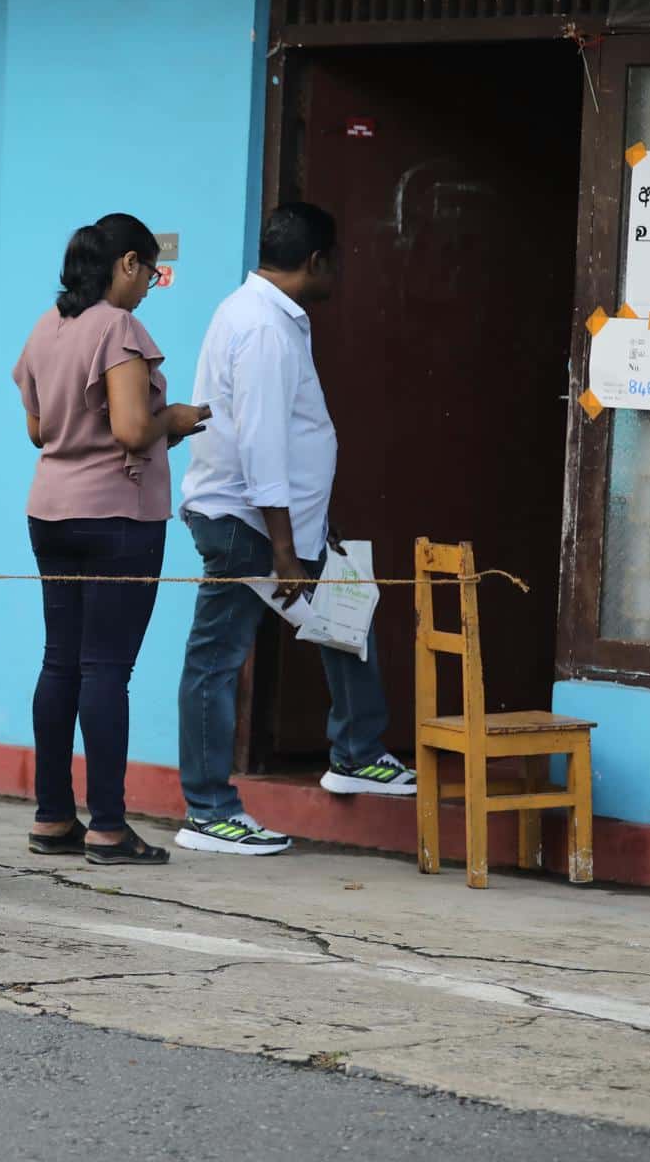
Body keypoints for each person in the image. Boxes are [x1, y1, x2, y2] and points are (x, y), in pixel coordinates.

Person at [174, 203, 414, 858]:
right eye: (335, 260)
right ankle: (208, 811)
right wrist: (283, 550)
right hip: (247, 528)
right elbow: (262, 448)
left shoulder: (257, 313)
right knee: (216, 658)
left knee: (347, 606)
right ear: (316, 262)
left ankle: (359, 751)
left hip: (283, 524)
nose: (337, 272)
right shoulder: (265, 330)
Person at [12, 215, 210, 865]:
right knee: (105, 669)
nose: (150, 286)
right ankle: (107, 827)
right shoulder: (117, 328)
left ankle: (50, 817)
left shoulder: (49, 326)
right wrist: (172, 420)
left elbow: (39, 429)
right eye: (149, 273)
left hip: (51, 512)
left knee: (59, 662)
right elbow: (130, 429)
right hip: (117, 517)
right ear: (126, 263)